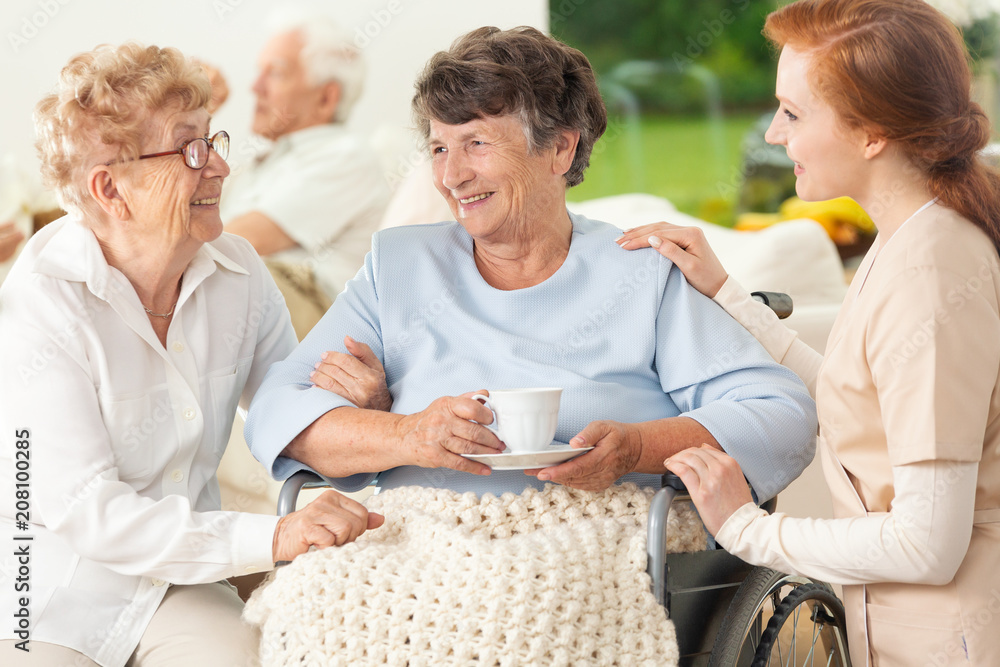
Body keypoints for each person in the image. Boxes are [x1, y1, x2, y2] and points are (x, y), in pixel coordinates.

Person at [245, 26, 817, 504]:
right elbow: (277, 406)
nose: (450, 177)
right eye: (440, 148)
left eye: (477, 144)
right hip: (418, 550)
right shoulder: (398, 265)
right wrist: (404, 435)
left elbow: (780, 414)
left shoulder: (641, 272)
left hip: (590, 548)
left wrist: (637, 449)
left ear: (560, 149)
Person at [618, 0, 1000, 663]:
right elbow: (860, 398)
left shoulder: (930, 273)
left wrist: (748, 529)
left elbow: (927, 545)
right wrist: (727, 293)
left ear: (872, 130)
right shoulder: (913, 236)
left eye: (792, 113)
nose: (771, 134)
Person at [0, 43, 383, 666]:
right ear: (110, 188)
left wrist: (361, 405)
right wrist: (276, 535)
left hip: (178, 584)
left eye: (213, 140)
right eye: (188, 149)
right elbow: (89, 514)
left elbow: (290, 411)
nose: (220, 169)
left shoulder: (239, 273)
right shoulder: (39, 304)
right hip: (46, 585)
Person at [218, 16, 389, 339]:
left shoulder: (345, 155)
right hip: (259, 297)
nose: (255, 88)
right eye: (260, 72)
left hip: (307, 309)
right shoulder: (262, 163)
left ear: (327, 98)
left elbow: (233, 243)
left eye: (276, 73)